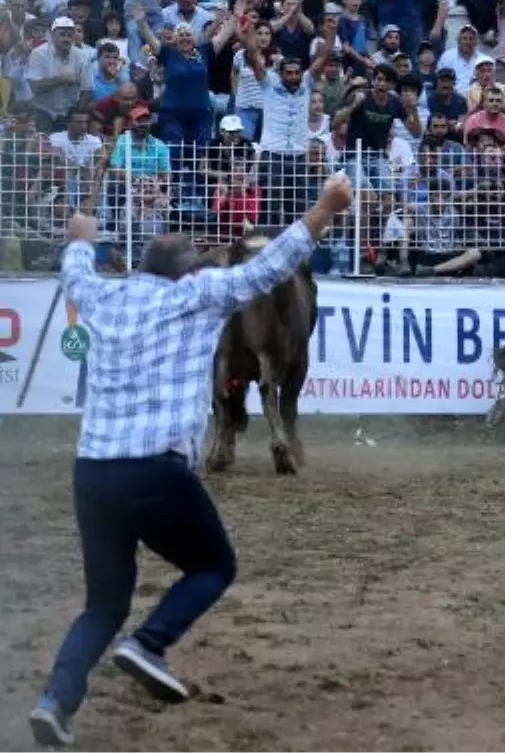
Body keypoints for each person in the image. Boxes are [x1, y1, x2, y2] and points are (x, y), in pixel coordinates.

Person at [28, 174, 354, 749]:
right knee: (212, 567)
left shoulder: (104, 294)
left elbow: (74, 271)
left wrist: (80, 237)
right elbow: (268, 266)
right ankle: (149, 644)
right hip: (156, 470)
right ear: (190, 271)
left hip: (94, 472)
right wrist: (325, 208)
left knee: (102, 605)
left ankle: (56, 701)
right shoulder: (198, 296)